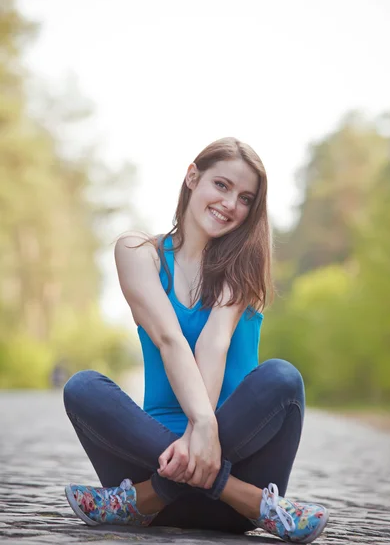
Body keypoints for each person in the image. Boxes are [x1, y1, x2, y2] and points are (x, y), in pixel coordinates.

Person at [63, 137, 329, 543]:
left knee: (282, 378)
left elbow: (213, 342)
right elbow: (169, 339)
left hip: (226, 481)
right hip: (161, 462)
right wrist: (198, 429)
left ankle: (142, 500)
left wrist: (204, 433)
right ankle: (260, 505)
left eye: (245, 198)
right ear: (192, 177)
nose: (230, 204)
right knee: (82, 387)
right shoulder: (139, 252)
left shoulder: (243, 263)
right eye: (221, 185)